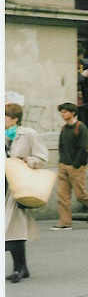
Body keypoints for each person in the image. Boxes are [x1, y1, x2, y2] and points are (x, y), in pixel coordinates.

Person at [5, 103, 49, 283]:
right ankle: (22, 268)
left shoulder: (28, 134)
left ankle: (19, 268)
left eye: (5, 116)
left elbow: (42, 158)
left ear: (15, 118)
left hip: (17, 186)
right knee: (11, 229)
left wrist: (26, 160)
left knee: (12, 228)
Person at [53, 102, 88, 230]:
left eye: (65, 111)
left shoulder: (80, 127)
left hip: (76, 167)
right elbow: (61, 145)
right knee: (62, 196)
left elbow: (83, 148)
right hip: (63, 165)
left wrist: (75, 164)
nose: (63, 114)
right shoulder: (64, 128)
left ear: (73, 113)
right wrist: (61, 161)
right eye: (62, 112)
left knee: (80, 195)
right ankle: (65, 222)